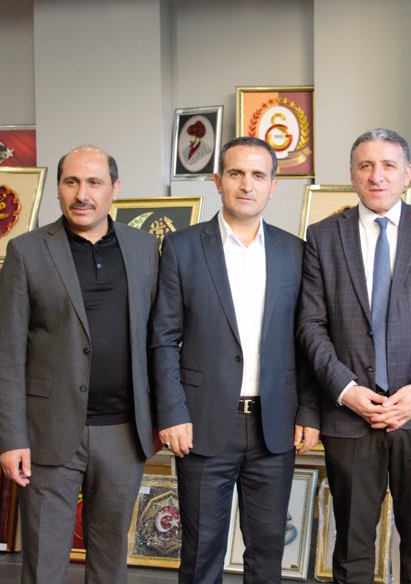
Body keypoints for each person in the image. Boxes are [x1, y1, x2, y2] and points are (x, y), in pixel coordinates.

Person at [297, 128, 411, 583]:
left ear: (407, 174)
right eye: (366, 166)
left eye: (389, 165)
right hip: (349, 416)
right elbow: (310, 325)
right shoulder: (322, 236)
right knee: (352, 549)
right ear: (352, 174)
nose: (377, 176)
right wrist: (345, 389)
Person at [151, 136, 320, 583]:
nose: (247, 185)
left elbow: (306, 339)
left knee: (266, 555)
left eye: (258, 175)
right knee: (201, 554)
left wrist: (309, 409)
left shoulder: (295, 251)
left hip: (274, 426)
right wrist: (172, 412)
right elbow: (163, 339)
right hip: (202, 424)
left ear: (273, 186)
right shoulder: (182, 248)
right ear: (218, 180)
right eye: (236, 173)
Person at [0, 145, 159, 583]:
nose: (82, 194)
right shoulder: (26, 251)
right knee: (44, 562)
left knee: (109, 561)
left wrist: (163, 416)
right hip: (47, 432)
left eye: (94, 183)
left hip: (124, 433)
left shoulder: (145, 249)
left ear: (114, 189)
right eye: (71, 182)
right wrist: (11, 438)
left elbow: (160, 340)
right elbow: (7, 353)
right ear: (58, 188)